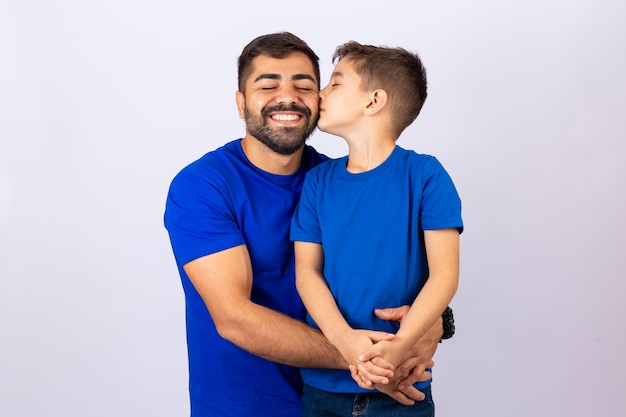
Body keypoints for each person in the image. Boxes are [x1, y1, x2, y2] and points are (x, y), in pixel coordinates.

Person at [164, 32, 448, 417]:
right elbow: (235, 319)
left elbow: (406, 266)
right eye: (267, 85)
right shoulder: (203, 186)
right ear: (240, 102)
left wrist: (431, 325)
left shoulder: (339, 179)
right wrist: (375, 360)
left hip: (353, 400)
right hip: (246, 406)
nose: (288, 97)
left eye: (305, 85)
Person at [290, 41, 463, 416]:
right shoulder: (317, 183)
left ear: (374, 101)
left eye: (335, 83)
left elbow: (445, 275)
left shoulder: (425, 176)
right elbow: (307, 272)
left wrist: (398, 348)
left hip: (402, 387)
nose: (320, 93)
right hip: (322, 390)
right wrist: (347, 343)